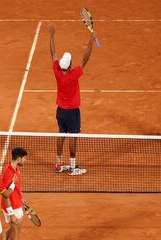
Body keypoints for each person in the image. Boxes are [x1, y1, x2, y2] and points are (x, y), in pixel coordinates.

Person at [48, 23, 95, 176]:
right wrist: (91, 40)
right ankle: (73, 166)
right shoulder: (73, 75)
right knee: (73, 136)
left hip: (60, 111)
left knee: (61, 134)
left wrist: (52, 36)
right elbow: (85, 59)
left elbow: (53, 54)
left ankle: (58, 163)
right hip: (72, 112)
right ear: (69, 66)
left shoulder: (56, 71)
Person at [1, 147, 27, 240]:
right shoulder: (8, 172)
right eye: (24, 158)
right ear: (19, 159)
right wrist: (11, 213)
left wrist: (21, 196)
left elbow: (17, 185)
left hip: (17, 202)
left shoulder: (16, 168)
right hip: (11, 206)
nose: (25, 160)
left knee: (15, 228)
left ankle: (4, 237)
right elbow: (5, 194)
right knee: (15, 234)